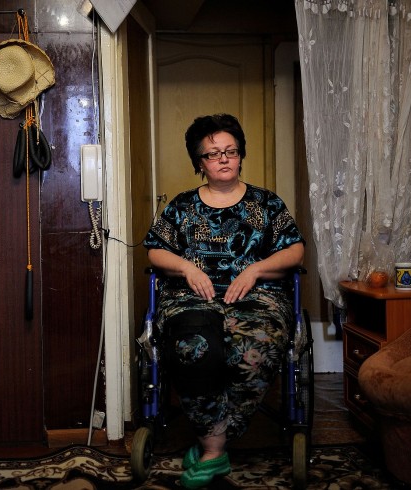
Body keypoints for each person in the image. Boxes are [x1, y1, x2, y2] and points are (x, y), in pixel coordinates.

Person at [143, 113, 305, 489]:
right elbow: (155, 250)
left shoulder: (267, 203)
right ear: (199, 162)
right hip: (192, 298)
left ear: (241, 154)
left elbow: (295, 250)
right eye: (213, 153)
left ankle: (211, 445)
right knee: (194, 347)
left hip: (258, 297)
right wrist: (187, 267)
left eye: (231, 151)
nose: (224, 159)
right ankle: (215, 448)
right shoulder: (181, 206)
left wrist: (256, 270)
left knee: (254, 347)